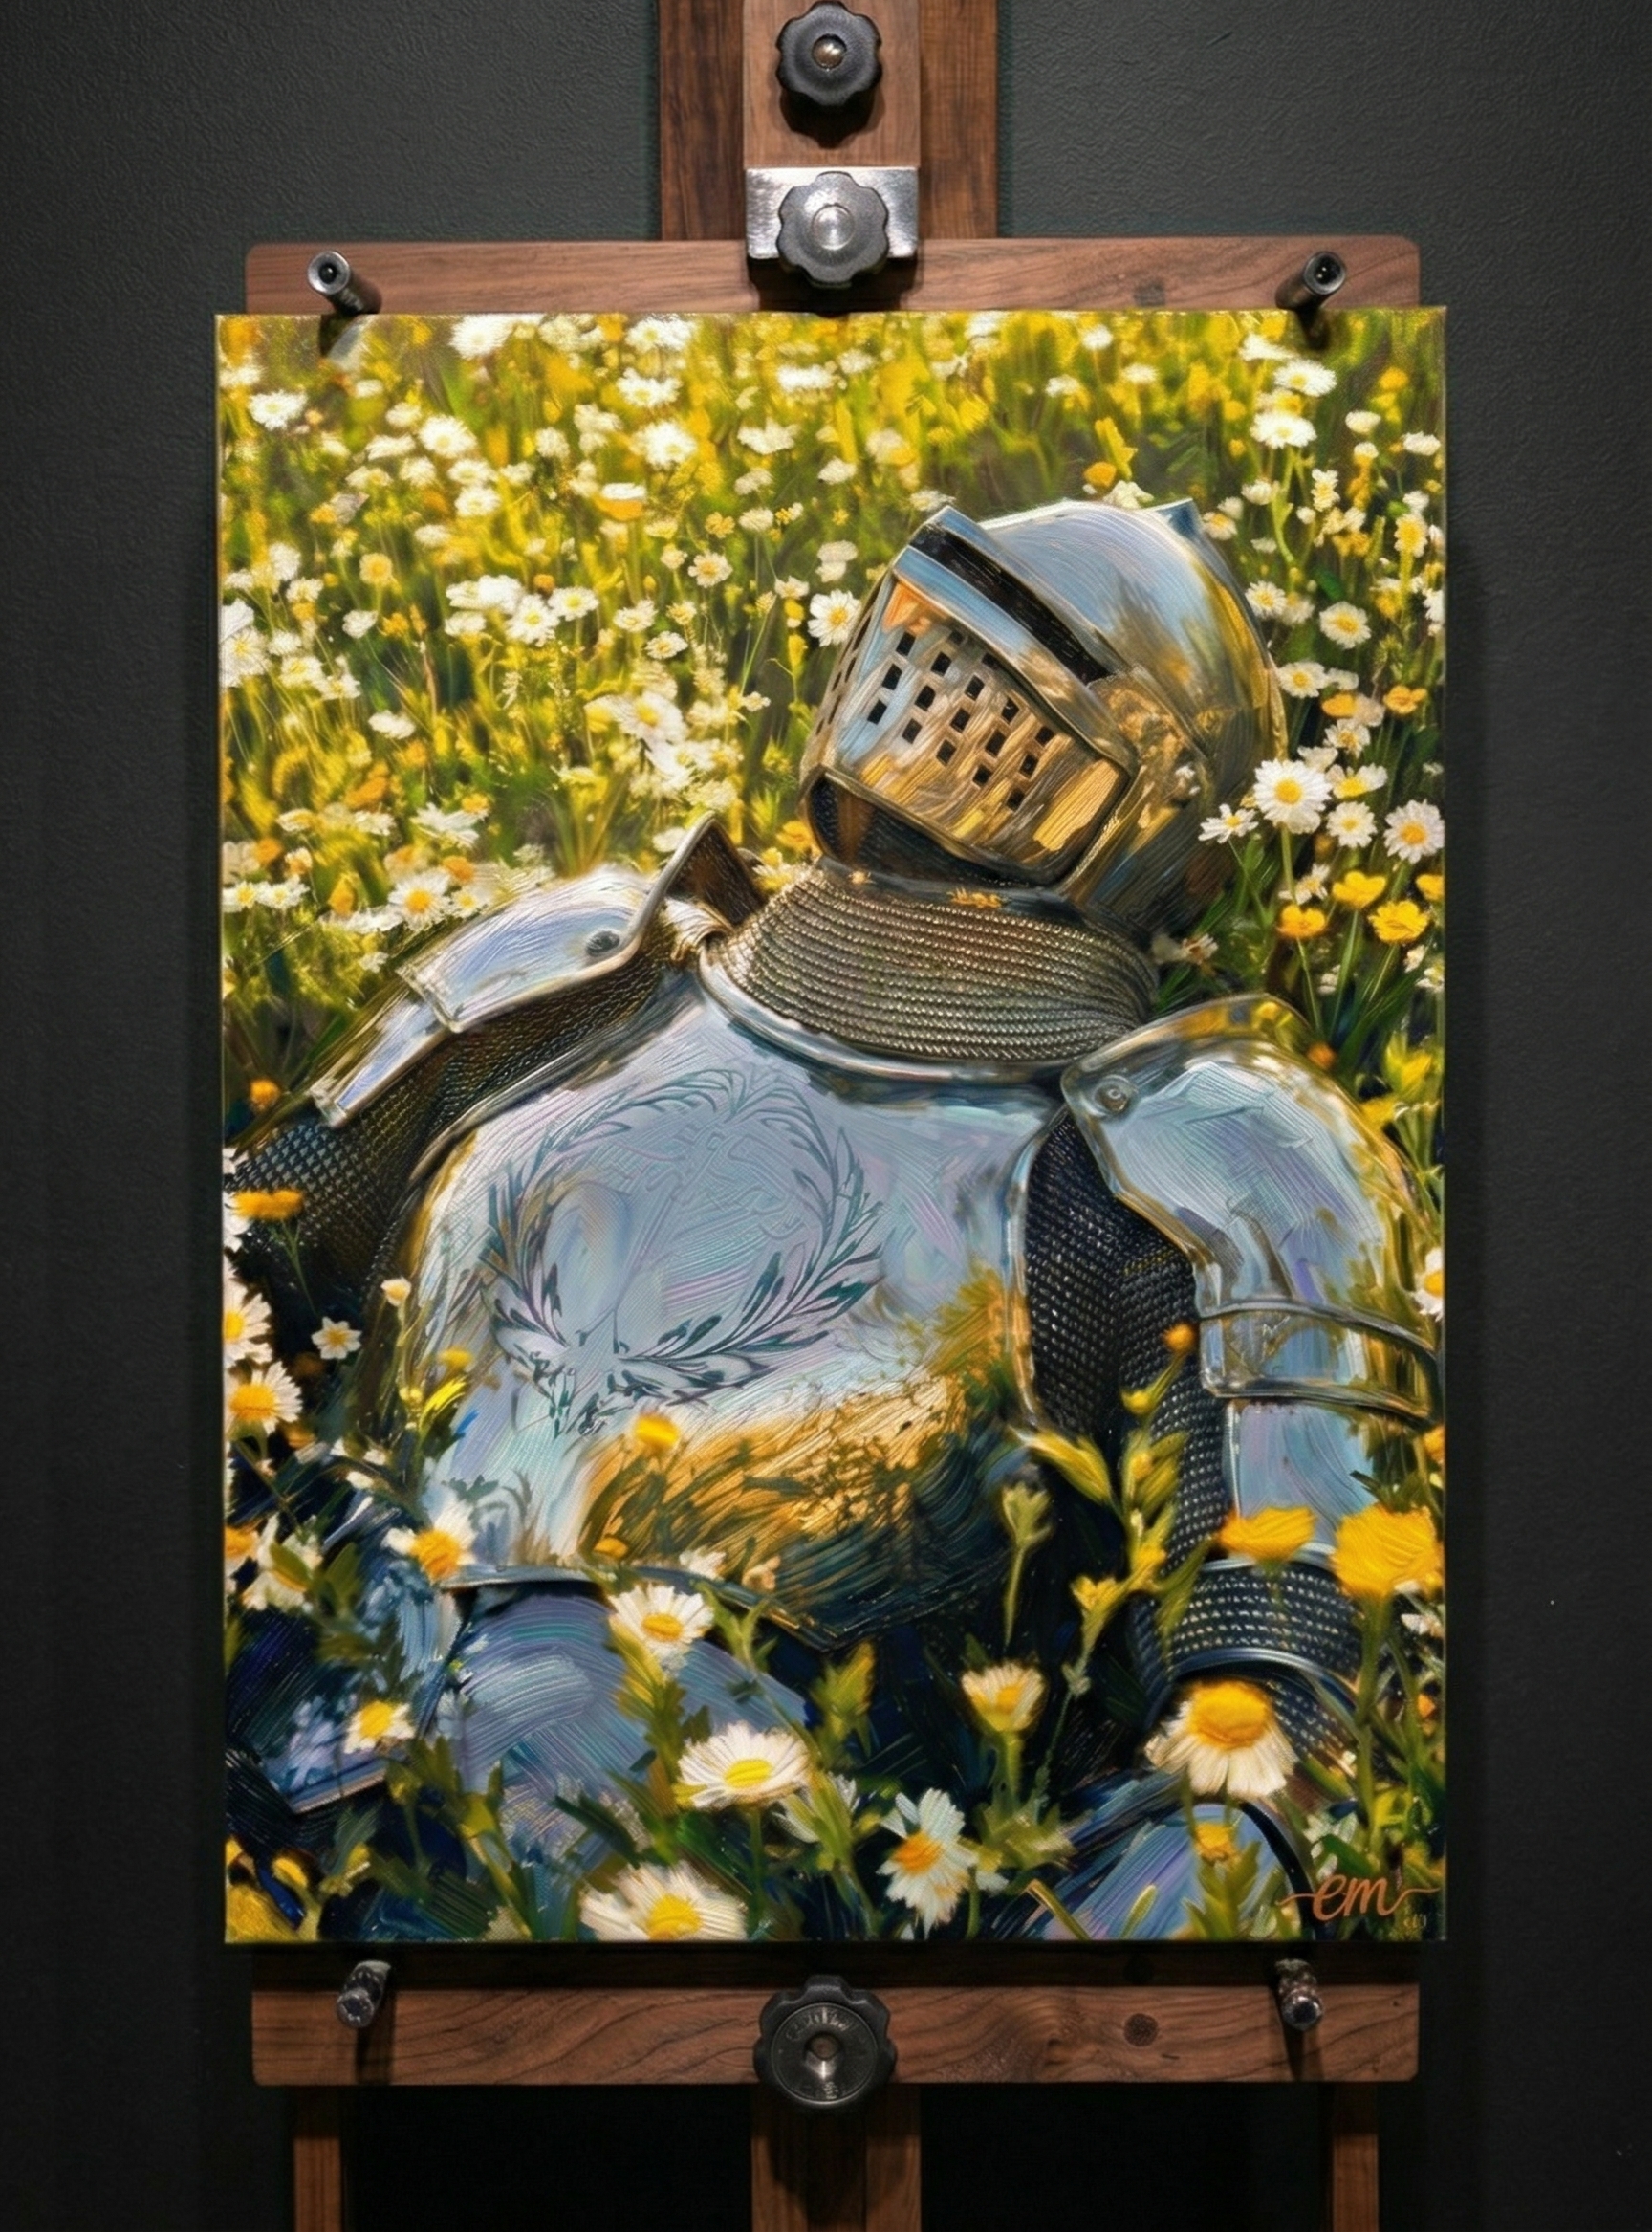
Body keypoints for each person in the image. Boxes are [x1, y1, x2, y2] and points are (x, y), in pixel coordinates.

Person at [228, 497, 1438, 1940]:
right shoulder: (570, 965)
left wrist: (1015, 2017)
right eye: (947, 603)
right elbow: (233, 1282)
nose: (944, 680)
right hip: (267, 1771)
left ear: (1178, 829)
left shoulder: (1224, 1155)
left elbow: (1294, 1740)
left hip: (764, 1917)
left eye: (1032, 648)